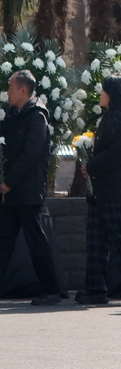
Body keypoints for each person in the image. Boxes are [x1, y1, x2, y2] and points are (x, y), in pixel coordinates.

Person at [0, 70, 61, 306]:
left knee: (36, 242)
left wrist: (10, 181)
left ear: (23, 90)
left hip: (26, 191)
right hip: (10, 191)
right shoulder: (13, 114)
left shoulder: (37, 116)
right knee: (2, 242)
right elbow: (3, 145)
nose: (7, 91)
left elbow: (31, 155)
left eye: (10, 86)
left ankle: (52, 291)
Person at [78, 77, 121, 304]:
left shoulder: (118, 118)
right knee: (95, 241)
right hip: (99, 191)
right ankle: (95, 289)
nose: (100, 94)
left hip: (114, 192)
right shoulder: (107, 117)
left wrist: (91, 165)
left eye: (103, 91)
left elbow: (116, 152)